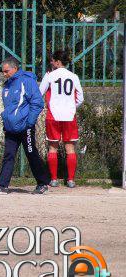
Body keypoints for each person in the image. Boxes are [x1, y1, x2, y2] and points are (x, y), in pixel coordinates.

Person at [0, 57, 51, 195]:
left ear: (15, 68)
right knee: (8, 155)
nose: (4, 74)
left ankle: (43, 183)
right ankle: (2, 185)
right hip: (11, 127)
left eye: (6, 71)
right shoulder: (7, 84)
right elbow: (10, 106)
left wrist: (29, 122)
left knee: (31, 153)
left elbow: (37, 103)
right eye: (2, 71)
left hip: (25, 126)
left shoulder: (27, 81)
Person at [39, 50, 84, 188]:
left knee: (53, 148)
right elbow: (80, 98)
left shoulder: (50, 76)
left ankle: (53, 179)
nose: (51, 63)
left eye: (53, 60)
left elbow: (39, 92)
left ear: (58, 62)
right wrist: (71, 106)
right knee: (70, 148)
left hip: (53, 116)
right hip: (69, 116)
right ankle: (70, 180)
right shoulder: (74, 76)